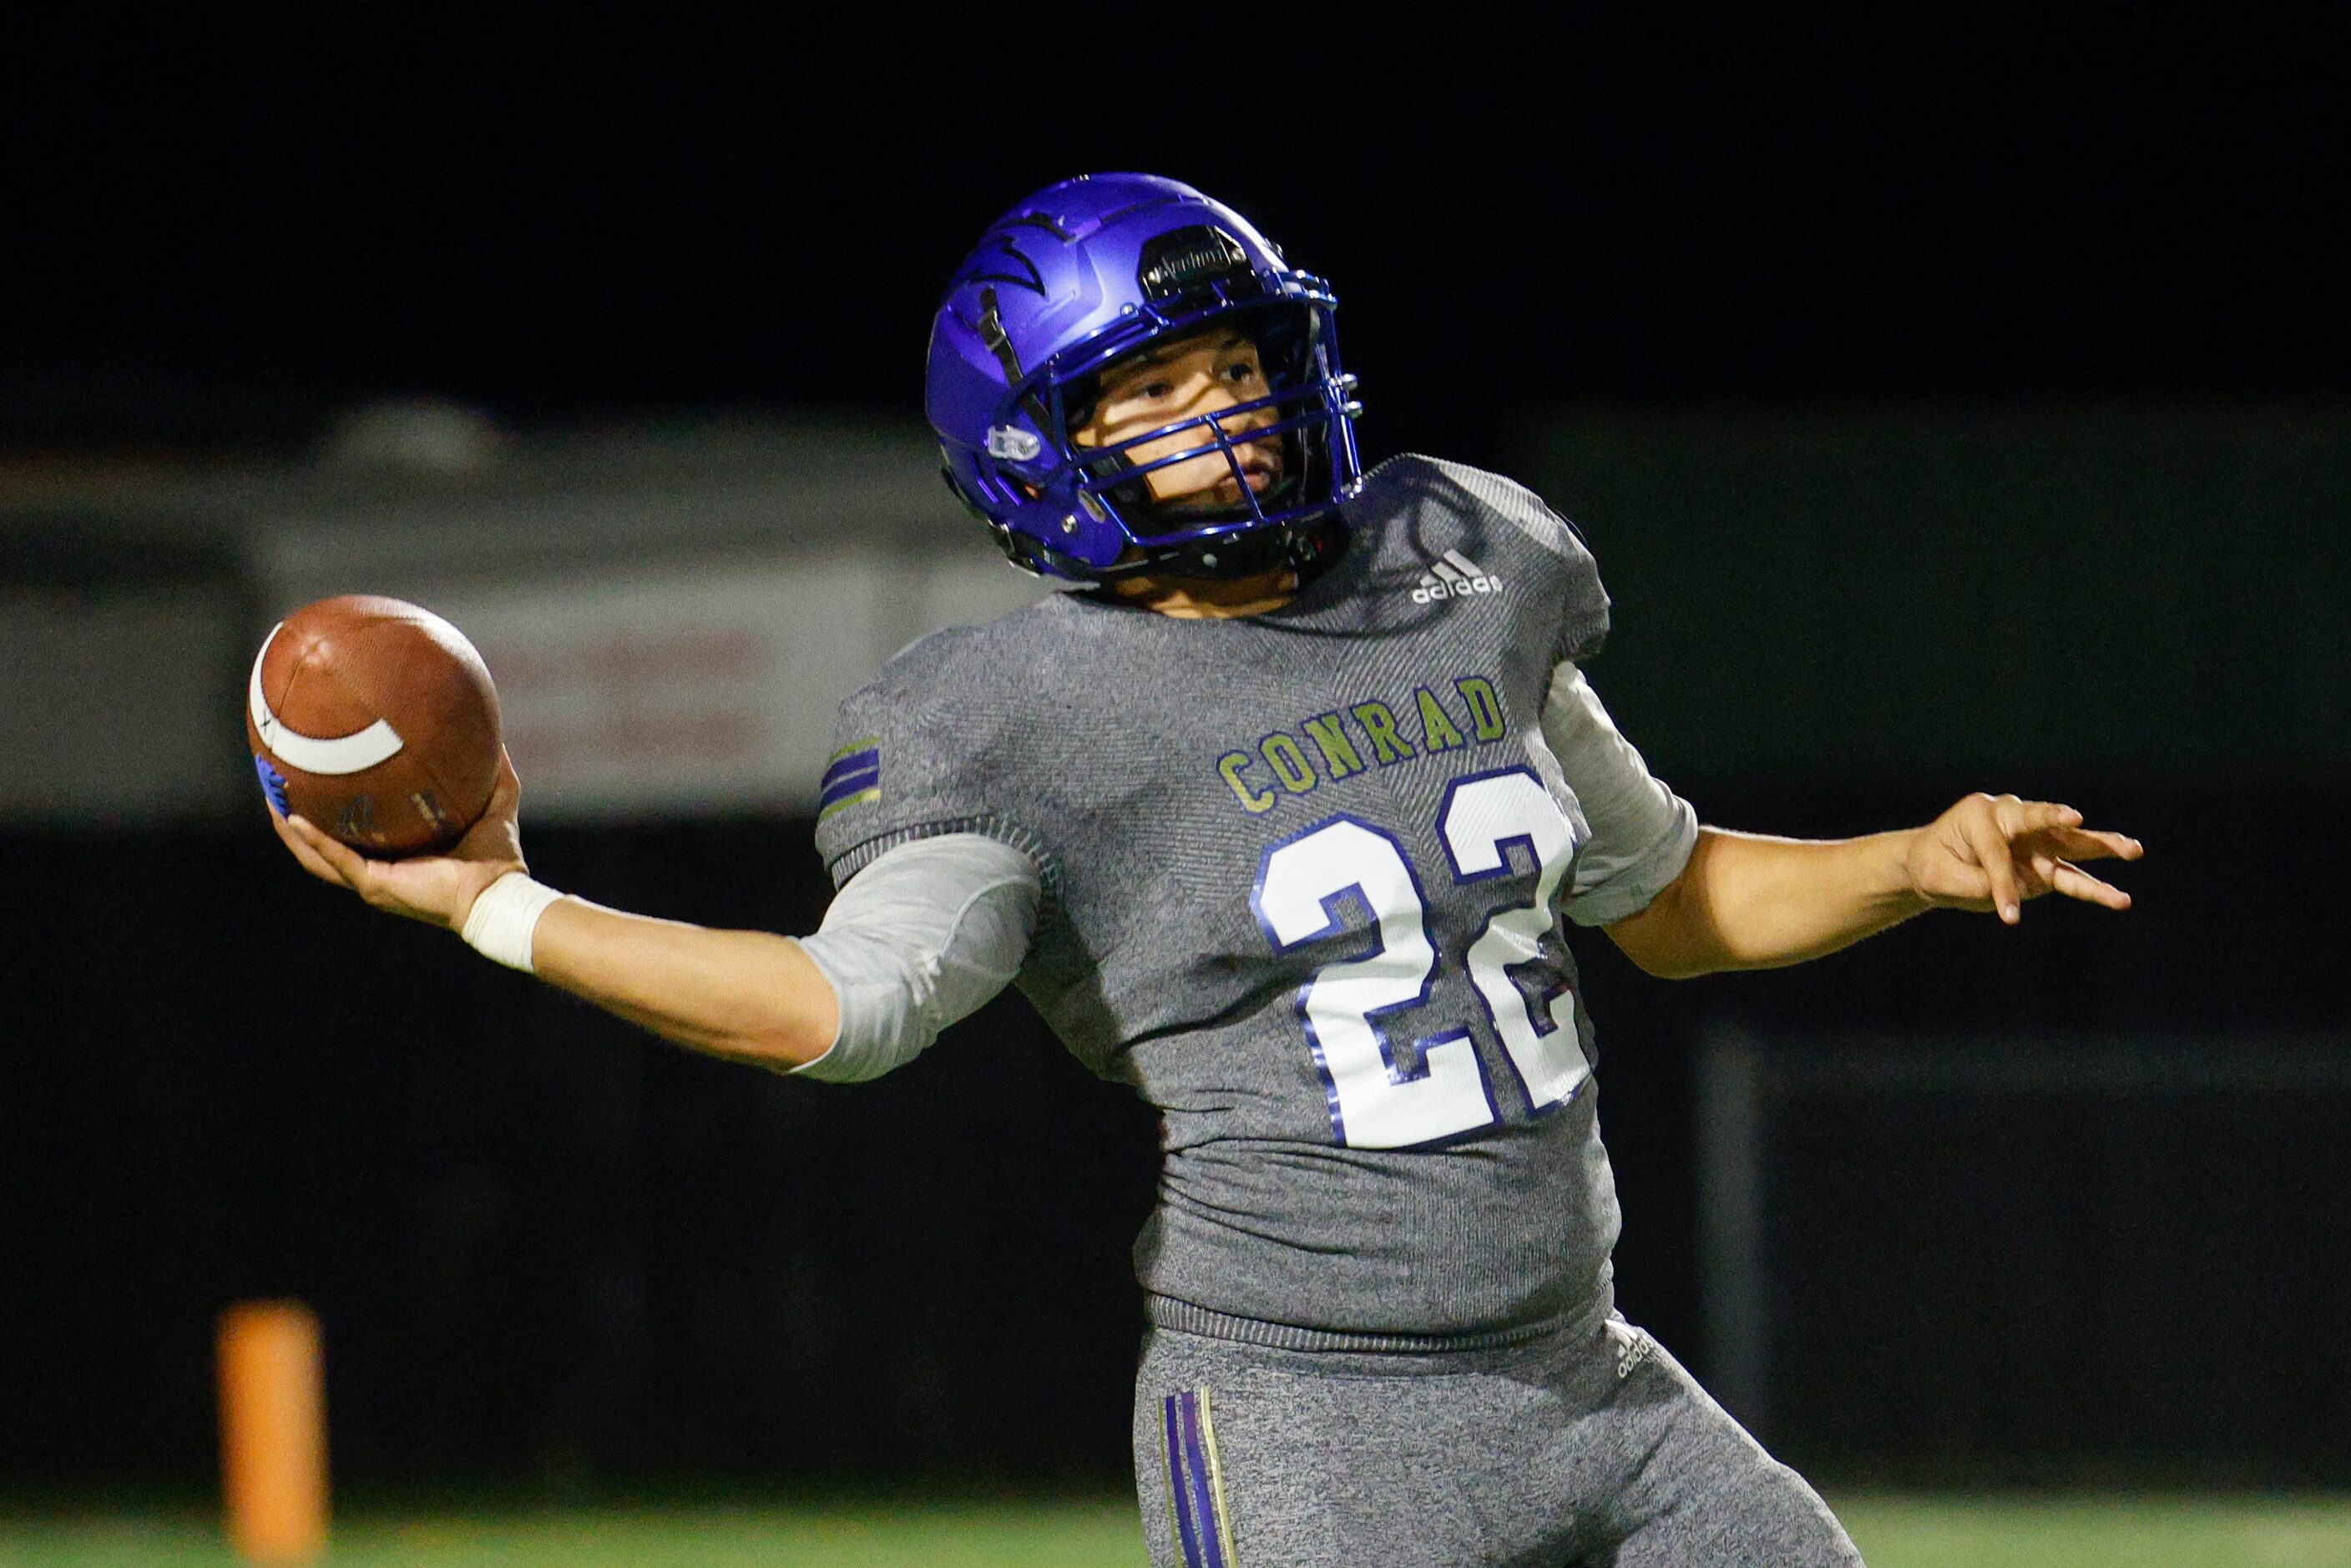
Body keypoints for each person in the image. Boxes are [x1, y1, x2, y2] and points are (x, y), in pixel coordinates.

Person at [268, 173, 2141, 1566]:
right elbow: (841, 1012)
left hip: (1594, 1377)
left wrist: (1913, 857)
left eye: (1235, 358)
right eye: (1150, 393)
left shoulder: (1454, 570)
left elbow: (1662, 900)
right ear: (1038, 451)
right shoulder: (1008, 716)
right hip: (1323, 1430)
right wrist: (493, 903)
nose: (1227, 406)